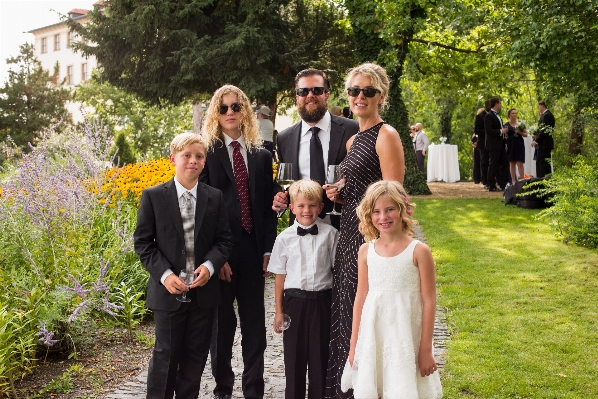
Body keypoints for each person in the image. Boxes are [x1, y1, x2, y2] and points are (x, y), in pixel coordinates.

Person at [323, 62, 405, 399]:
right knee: (347, 313)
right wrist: (339, 194)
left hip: (372, 240)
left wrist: (382, 245)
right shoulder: (353, 140)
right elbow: (362, 192)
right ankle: (348, 390)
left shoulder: (386, 135)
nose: (360, 96)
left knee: (372, 318)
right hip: (349, 238)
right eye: (354, 90)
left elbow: (393, 196)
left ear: (380, 96)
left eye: (367, 91)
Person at [133, 132, 234, 399]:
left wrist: (211, 267)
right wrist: (165, 276)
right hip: (168, 293)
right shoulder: (153, 196)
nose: (193, 160)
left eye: (199, 156)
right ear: (173, 158)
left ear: (204, 162)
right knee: (165, 356)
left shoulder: (214, 197)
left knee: (195, 358)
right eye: (186, 155)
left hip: (203, 294)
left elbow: (224, 240)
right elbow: (143, 243)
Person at [200, 85, 278, 399]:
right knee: (221, 328)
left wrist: (268, 248)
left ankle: (254, 390)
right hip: (221, 254)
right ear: (215, 115)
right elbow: (202, 210)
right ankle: (222, 390)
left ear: (245, 111)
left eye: (236, 107)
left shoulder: (261, 153)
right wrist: (215, 258)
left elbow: (268, 205)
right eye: (223, 108)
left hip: (252, 251)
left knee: (254, 327)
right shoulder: (207, 153)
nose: (230, 113)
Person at [340, 180, 442, 399]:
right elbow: (361, 297)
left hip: (405, 336)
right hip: (374, 334)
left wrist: (425, 349)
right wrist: (354, 344)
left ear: (402, 209)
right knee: (375, 387)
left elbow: (429, 301)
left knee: (402, 389)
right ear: (369, 215)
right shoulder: (366, 251)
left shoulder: (419, 251)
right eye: (376, 212)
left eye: (389, 210)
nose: (383, 217)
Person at [268, 179, 339, 399]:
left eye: (311, 205)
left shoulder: (330, 234)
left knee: (320, 361)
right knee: (294, 361)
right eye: (301, 205)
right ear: (292, 208)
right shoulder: (284, 238)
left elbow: (337, 271)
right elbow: (280, 277)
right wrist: (278, 312)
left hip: (322, 303)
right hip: (294, 304)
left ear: (320, 207)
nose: (306, 210)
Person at [273, 68, 359, 230]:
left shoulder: (352, 130)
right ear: (297, 97)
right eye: (303, 91)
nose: (310, 95)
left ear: (327, 94)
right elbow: (284, 181)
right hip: (302, 228)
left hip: (345, 225)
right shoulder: (284, 138)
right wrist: (278, 196)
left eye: (317, 90)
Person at [484, 97, 509, 191]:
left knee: (505, 163)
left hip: (500, 144)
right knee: (493, 164)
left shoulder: (498, 116)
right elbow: (488, 130)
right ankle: (491, 184)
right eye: (500, 103)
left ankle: (502, 183)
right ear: (496, 104)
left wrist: (504, 136)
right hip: (493, 144)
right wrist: (500, 131)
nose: (501, 105)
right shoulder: (489, 116)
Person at [532, 100, 555, 178]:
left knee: (540, 162)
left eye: (539, 106)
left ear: (542, 105)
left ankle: (540, 181)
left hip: (544, 144)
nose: (539, 108)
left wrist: (536, 141)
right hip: (546, 143)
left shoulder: (547, 115)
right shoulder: (545, 115)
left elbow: (544, 130)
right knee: (546, 163)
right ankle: (547, 181)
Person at [504, 108, 528, 183]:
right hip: (510, 144)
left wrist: (520, 132)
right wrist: (505, 145)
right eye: (513, 113)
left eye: (515, 113)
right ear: (509, 115)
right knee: (512, 162)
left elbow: (526, 135)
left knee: (520, 162)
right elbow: (505, 136)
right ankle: (513, 181)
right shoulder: (506, 125)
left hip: (519, 143)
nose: (514, 115)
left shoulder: (521, 124)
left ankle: (522, 180)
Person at [474, 100, 491, 187]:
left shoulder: (494, 115)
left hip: (492, 142)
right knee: (484, 162)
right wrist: (488, 131)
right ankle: (485, 181)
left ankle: (491, 180)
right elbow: (477, 130)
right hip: (483, 142)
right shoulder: (480, 116)